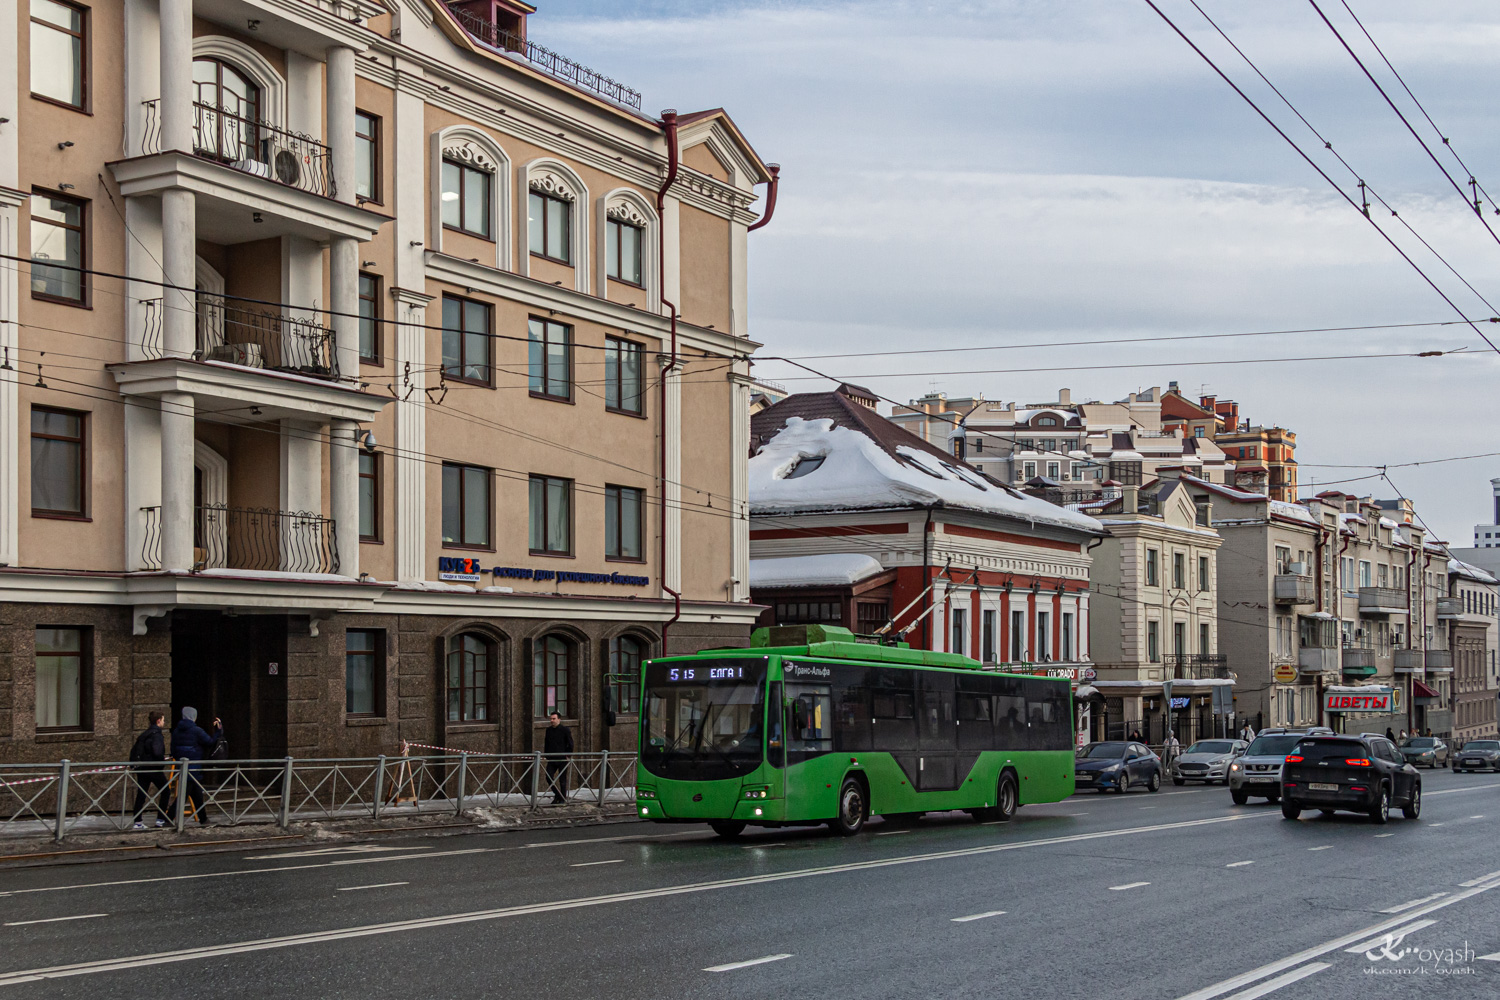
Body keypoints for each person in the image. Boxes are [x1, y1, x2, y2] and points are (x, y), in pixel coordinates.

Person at [171, 707, 222, 825]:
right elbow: (210, 742)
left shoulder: (176, 731)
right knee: (184, 796)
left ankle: (203, 819)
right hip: (193, 765)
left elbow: (173, 749)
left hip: (182, 766)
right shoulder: (196, 730)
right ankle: (168, 818)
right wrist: (218, 731)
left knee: (196, 794)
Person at [129, 711, 170, 830]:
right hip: (154, 769)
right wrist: (161, 760)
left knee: (141, 795)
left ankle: (137, 822)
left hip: (142, 769)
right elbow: (157, 752)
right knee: (166, 791)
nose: (164, 722)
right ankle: (160, 820)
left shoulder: (144, 734)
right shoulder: (157, 734)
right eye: (163, 720)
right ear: (158, 721)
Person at [543, 711, 574, 804]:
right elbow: (546, 743)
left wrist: (568, 755)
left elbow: (570, 744)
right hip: (552, 758)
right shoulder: (548, 730)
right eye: (551, 719)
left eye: (554, 719)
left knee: (562, 779)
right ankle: (558, 794)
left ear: (559, 719)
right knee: (548, 776)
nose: (552, 721)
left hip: (562, 758)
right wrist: (546, 755)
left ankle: (562, 799)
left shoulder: (565, 730)